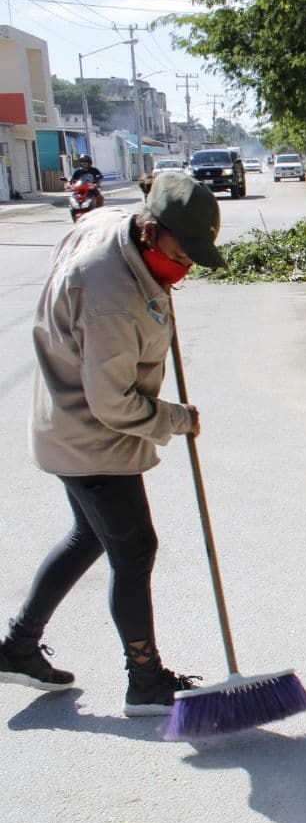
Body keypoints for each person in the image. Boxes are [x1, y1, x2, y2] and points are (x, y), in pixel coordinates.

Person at [0, 172, 227, 717]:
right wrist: (176, 418)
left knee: (90, 535)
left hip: (68, 421)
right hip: (91, 436)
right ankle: (144, 681)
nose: (185, 268)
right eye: (180, 256)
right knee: (135, 548)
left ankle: (17, 647)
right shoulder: (112, 298)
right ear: (150, 232)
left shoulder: (108, 224)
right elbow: (113, 405)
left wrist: (157, 295)